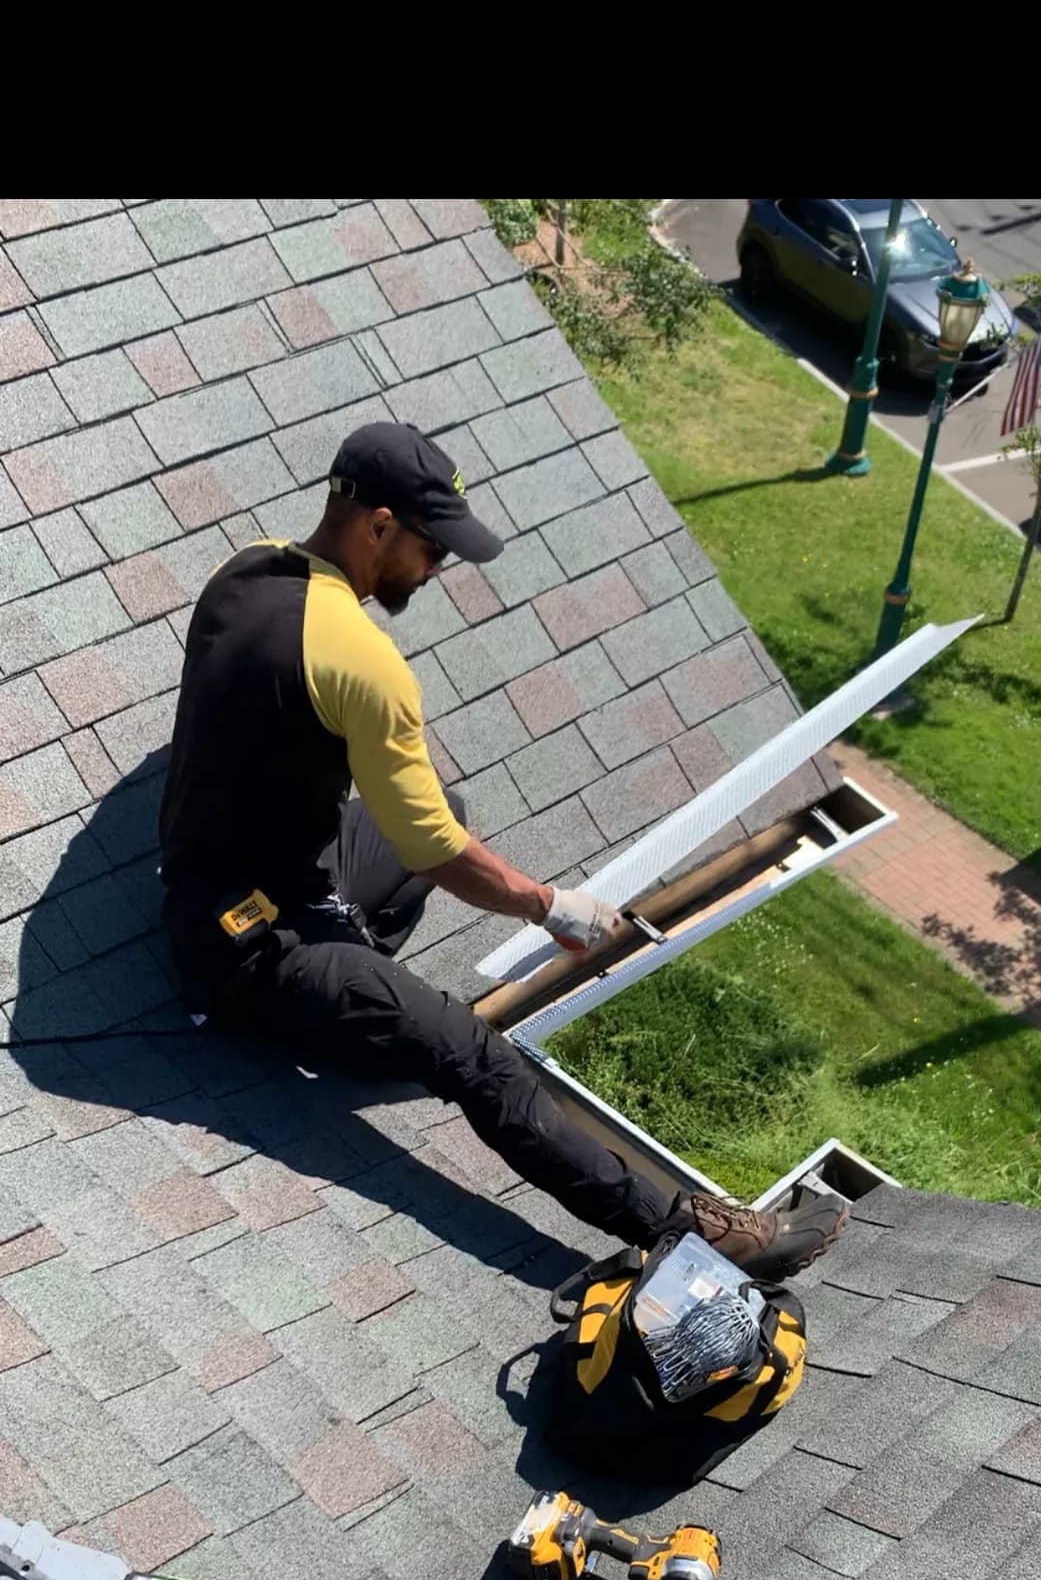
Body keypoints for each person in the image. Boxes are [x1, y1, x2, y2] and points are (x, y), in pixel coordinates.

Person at [158, 422, 845, 1280]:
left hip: (240, 872)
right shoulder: (364, 661)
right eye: (430, 548)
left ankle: (360, 1003)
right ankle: (688, 1232)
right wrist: (550, 906)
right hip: (245, 947)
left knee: (440, 804)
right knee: (472, 1052)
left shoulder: (246, 570)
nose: (437, 568)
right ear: (376, 526)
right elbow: (439, 852)